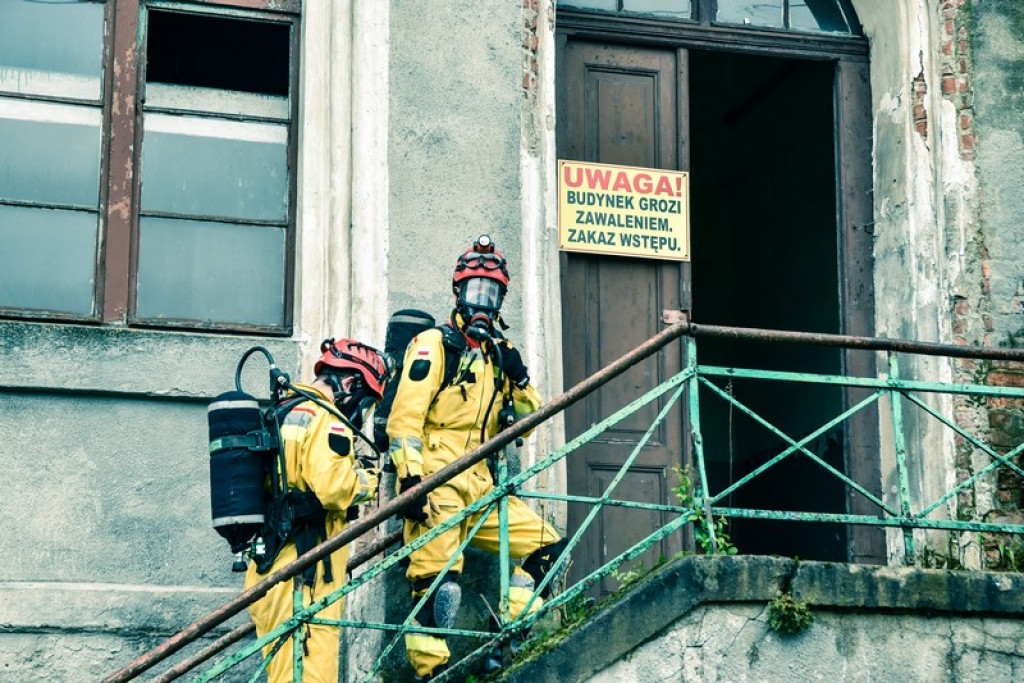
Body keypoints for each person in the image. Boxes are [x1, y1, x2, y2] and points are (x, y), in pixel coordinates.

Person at [387, 235, 568, 680]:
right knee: (439, 590)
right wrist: (411, 484)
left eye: (491, 293)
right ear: (458, 293)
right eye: (474, 291)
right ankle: (432, 675)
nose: (482, 302)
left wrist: (519, 375)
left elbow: (531, 416)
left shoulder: (494, 357)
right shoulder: (434, 345)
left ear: (501, 298)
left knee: (550, 548)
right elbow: (403, 420)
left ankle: (502, 638)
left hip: (482, 490)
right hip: (436, 488)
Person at [245, 338, 388, 683]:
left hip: (269, 568)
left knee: (285, 673)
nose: (362, 413)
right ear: (351, 384)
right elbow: (333, 488)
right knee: (310, 674)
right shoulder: (328, 418)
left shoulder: (285, 411)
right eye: (366, 403)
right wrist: (370, 480)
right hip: (305, 573)